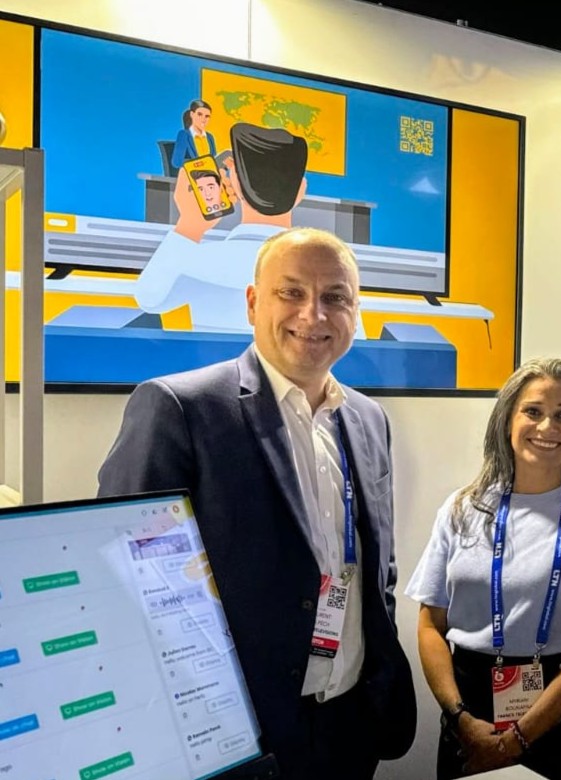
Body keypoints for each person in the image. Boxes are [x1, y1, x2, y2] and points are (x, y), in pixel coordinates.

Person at [98, 227, 416, 780]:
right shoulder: (182, 408)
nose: (314, 314)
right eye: (291, 292)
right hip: (238, 733)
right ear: (252, 302)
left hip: (349, 722)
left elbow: (377, 566)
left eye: (335, 297)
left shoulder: (369, 419)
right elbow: (129, 581)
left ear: (356, 311)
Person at [406, 358, 561, 780]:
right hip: (468, 720)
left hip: (559, 718)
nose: (547, 426)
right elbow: (429, 627)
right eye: (533, 411)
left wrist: (513, 742)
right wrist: (461, 718)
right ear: (507, 421)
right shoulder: (462, 509)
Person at [138, 122, 328, 334]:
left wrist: (189, 226)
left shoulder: (197, 262)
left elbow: (148, 299)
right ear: (301, 189)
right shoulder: (330, 275)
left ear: (233, 180)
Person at [171, 98, 218, 172]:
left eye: (207, 116)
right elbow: (177, 162)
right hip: (193, 173)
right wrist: (200, 164)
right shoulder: (184, 135)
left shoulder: (210, 137)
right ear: (192, 114)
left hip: (210, 173)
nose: (203, 119)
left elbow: (214, 159)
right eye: (199, 114)